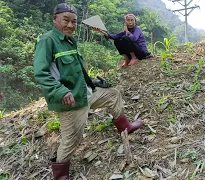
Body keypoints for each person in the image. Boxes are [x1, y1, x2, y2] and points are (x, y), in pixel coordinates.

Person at [33, 3, 143, 179]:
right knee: (71, 141)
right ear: (55, 19)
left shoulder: (69, 41)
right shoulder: (47, 41)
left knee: (113, 95)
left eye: (74, 22)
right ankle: (60, 176)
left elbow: (74, 70)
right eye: (66, 20)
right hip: (70, 100)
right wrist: (61, 92)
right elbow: (41, 73)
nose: (70, 25)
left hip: (84, 92)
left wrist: (92, 82)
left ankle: (125, 127)